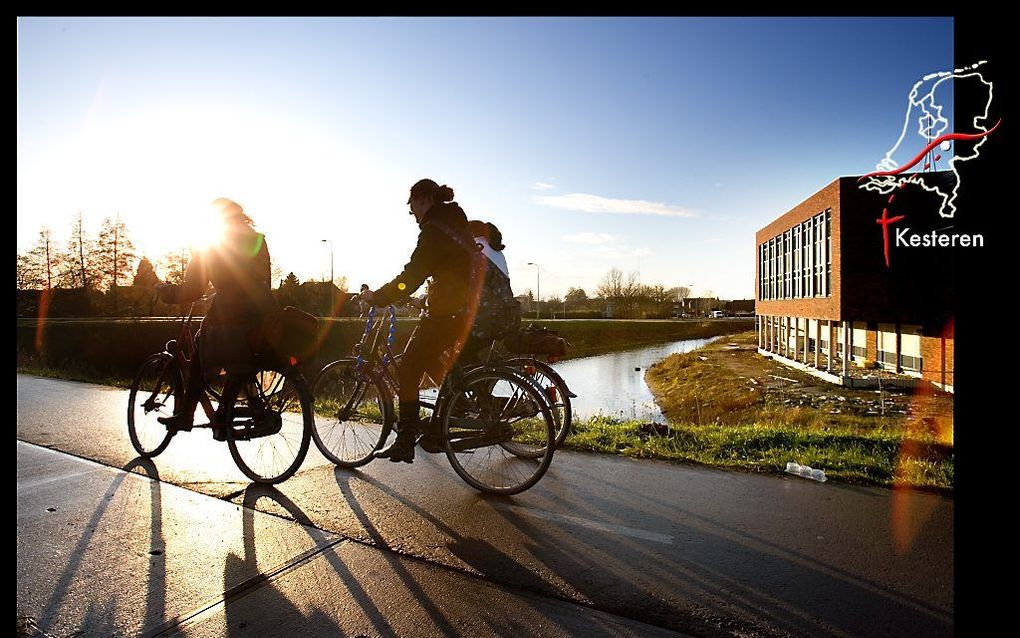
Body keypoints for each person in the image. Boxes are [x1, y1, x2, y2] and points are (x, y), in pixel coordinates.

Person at [361, 179, 480, 463]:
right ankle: (454, 407)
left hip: (448, 311)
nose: (411, 212)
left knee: (408, 367)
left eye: (412, 204)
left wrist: (379, 297)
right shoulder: (453, 223)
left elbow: (412, 275)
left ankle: (405, 440)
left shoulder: (434, 229)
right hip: (462, 308)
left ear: (424, 199)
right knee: (427, 359)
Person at [156, 198, 279, 435]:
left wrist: (166, 293)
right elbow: (265, 280)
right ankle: (224, 415)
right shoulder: (257, 239)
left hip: (231, 314)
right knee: (241, 358)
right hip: (265, 313)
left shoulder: (211, 245)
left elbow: (193, 289)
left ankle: (185, 416)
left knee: (202, 349)